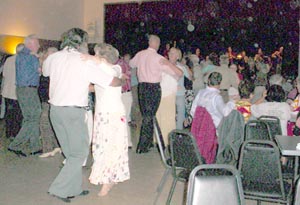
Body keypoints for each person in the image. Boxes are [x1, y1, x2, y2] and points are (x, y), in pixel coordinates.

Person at [42, 28, 124, 203]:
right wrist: (121, 80)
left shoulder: (53, 57)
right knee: (78, 153)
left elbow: (45, 73)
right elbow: (111, 81)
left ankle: (74, 188)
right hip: (73, 112)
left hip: (55, 111)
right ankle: (59, 189)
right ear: (81, 43)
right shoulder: (82, 61)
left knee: (70, 153)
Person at [88, 43, 130, 196]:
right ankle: (111, 175)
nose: (94, 57)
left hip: (111, 114)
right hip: (104, 114)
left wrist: (91, 58)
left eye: (96, 54)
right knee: (104, 145)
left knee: (110, 146)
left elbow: (109, 70)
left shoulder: (110, 69)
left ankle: (109, 180)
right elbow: (99, 85)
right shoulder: (109, 71)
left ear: (103, 58)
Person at [129, 35, 182, 154]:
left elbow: (132, 64)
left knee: (147, 115)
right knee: (150, 116)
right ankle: (143, 145)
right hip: (154, 88)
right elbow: (176, 73)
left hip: (142, 87)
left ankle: (148, 143)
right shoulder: (158, 58)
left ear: (149, 42)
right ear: (157, 44)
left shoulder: (140, 54)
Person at [8, 34, 41, 157]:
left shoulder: (21, 55)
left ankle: (35, 146)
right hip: (29, 91)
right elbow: (40, 71)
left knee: (31, 118)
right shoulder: (31, 57)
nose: (39, 46)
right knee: (33, 118)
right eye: (37, 43)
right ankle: (15, 145)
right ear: (31, 44)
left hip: (22, 90)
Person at [38, 47, 61, 158]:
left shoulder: (52, 66)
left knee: (45, 123)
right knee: (52, 123)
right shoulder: (53, 66)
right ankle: (56, 146)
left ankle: (47, 149)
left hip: (49, 99)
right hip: (48, 98)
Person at [1, 43, 24, 140]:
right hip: (17, 92)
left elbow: (4, 74)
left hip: (7, 91)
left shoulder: (9, 60)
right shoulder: (23, 61)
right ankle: (15, 134)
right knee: (17, 115)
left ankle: (8, 133)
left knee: (9, 114)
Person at [117, 53, 133, 149]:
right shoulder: (120, 64)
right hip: (124, 94)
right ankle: (126, 142)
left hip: (124, 94)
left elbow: (126, 77)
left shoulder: (120, 64)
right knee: (123, 118)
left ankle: (127, 142)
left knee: (123, 118)